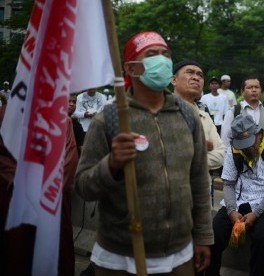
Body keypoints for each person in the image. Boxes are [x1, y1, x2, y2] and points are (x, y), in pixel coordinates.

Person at [75, 31, 213, 275]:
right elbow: (83, 186)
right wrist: (112, 164)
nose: (162, 60)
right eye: (152, 55)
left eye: (166, 54)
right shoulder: (109, 119)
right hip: (121, 257)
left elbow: (199, 180)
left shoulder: (187, 116)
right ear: (131, 68)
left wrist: (203, 236)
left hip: (180, 254)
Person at [0, 104, 78, 276]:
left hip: (51, 205)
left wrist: (47, 188)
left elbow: (69, 158)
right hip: (15, 201)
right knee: (15, 258)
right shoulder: (5, 114)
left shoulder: (62, 120)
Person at [205, 114, 264, 276]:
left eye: (251, 143)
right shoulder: (233, 151)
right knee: (215, 232)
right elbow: (228, 184)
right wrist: (231, 211)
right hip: (238, 200)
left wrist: (256, 214)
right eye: (243, 145)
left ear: (258, 134)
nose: (249, 149)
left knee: (262, 240)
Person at [171, 59, 225, 202]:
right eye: (190, 72)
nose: (196, 77)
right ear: (174, 80)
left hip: (200, 194)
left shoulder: (205, 116)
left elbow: (220, 154)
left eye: (200, 75)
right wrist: (203, 146)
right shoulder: (160, 111)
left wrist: (185, 158)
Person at [221, 76, 264, 148]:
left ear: (261, 91)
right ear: (242, 92)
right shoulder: (234, 111)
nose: (254, 90)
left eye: (257, 87)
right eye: (250, 87)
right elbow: (225, 138)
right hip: (241, 157)